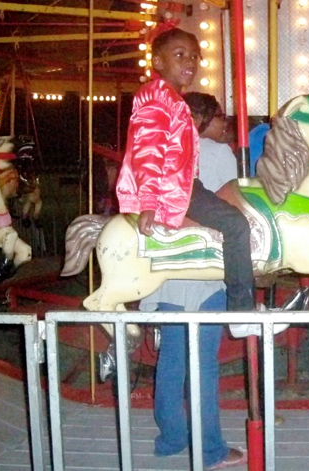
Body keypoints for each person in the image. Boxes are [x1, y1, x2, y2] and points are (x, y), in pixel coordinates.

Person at [115, 26, 255, 314]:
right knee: (236, 225)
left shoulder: (172, 99)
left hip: (186, 186)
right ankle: (242, 310)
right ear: (158, 62)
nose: (190, 62)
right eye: (180, 55)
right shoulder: (158, 98)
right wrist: (150, 203)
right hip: (172, 189)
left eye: (194, 56)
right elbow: (149, 151)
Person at [140, 92, 246, 470]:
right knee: (204, 364)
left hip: (167, 271)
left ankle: (171, 439)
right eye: (219, 118)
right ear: (202, 119)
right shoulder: (217, 155)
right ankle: (210, 450)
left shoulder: (170, 151)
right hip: (203, 271)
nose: (225, 125)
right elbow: (229, 202)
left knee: (171, 359)